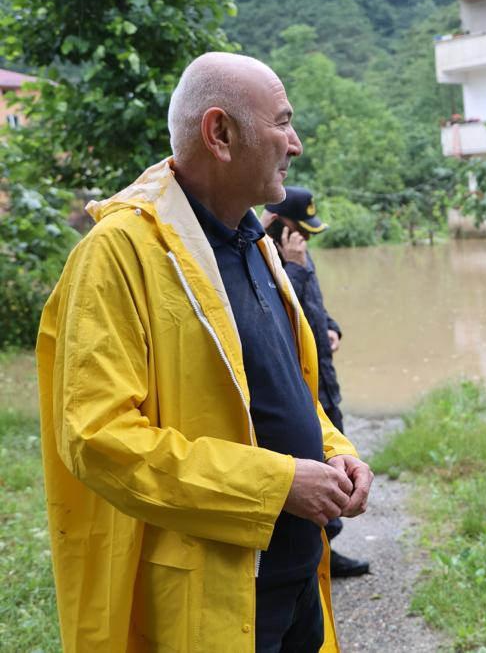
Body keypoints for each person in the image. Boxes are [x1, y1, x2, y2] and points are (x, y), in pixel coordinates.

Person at [36, 52, 373, 652]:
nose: (295, 144)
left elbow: (284, 388)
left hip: (295, 575)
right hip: (212, 593)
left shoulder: (251, 240)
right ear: (220, 133)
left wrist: (335, 451)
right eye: (282, 122)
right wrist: (277, 484)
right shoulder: (120, 252)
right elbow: (98, 439)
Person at [262, 186, 370, 578]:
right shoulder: (263, 259)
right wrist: (292, 267)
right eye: (299, 230)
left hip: (323, 381)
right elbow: (275, 322)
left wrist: (333, 329)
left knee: (333, 456)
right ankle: (316, 552)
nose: (304, 239)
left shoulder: (298, 256)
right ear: (276, 223)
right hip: (296, 391)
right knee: (310, 470)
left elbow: (314, 308)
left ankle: (327, 547)